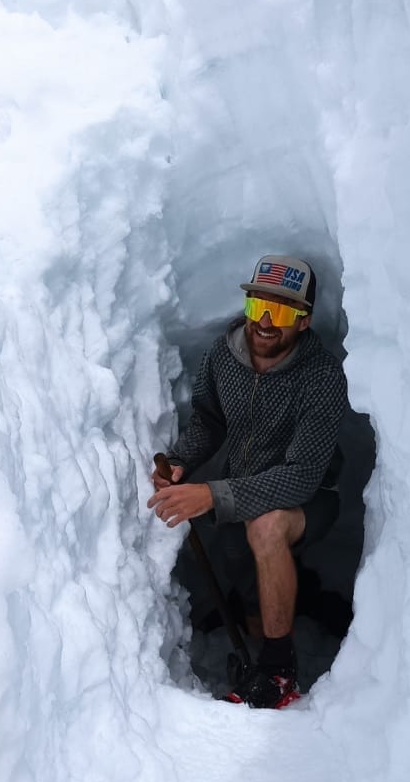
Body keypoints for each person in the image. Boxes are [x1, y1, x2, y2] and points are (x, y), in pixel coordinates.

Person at [148, 253, 348, 707]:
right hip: (240, 487)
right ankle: (291, 606)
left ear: (304, 321)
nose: (265, 323)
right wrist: (181, 461)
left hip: (309, 499)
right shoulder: (226, 352)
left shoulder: (321, 378)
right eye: (258, 307)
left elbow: (300, 477)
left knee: (267, 526)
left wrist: (210, 495)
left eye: (280, 313)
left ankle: (279, 672)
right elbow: (208, 420)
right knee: (248, 589)